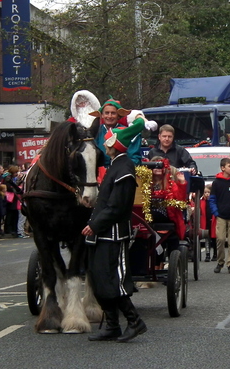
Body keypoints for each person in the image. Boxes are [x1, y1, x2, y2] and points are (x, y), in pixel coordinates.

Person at [81, 122, 147, 343]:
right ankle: (112, 325)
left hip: (114, 234)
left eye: (108, 143)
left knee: (114, 281)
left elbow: (117, 207)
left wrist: (95, 225)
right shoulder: (115, 166)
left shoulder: (124, 169)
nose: (104, 146)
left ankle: (134, 321)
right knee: (100, 281)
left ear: (115, 146)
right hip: (103, 234)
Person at [200, 185, 217, 262]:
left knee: (214, 239)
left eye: (208, 192)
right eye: (205, 192)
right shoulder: (201, 202)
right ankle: (207, 255)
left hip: (213, 222)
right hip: (205, 222)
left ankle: (215, 254)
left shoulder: (214, 201)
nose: (207, 194)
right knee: (207, 239)